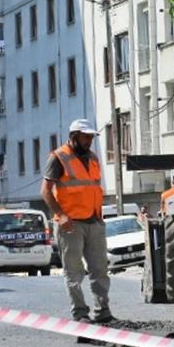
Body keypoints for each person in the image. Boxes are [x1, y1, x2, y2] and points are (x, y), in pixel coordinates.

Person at [41, 119, 116, 335]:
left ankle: (103, 311)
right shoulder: (58, 157)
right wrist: (61, 215)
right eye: (85, 137)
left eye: (91, 137)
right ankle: (80, 314)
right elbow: (45, 191)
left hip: (94, 221)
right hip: (71, 224)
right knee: (74, 273)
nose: (89, 141)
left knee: (100, 269)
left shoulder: (92, 159)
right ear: (73, 136)